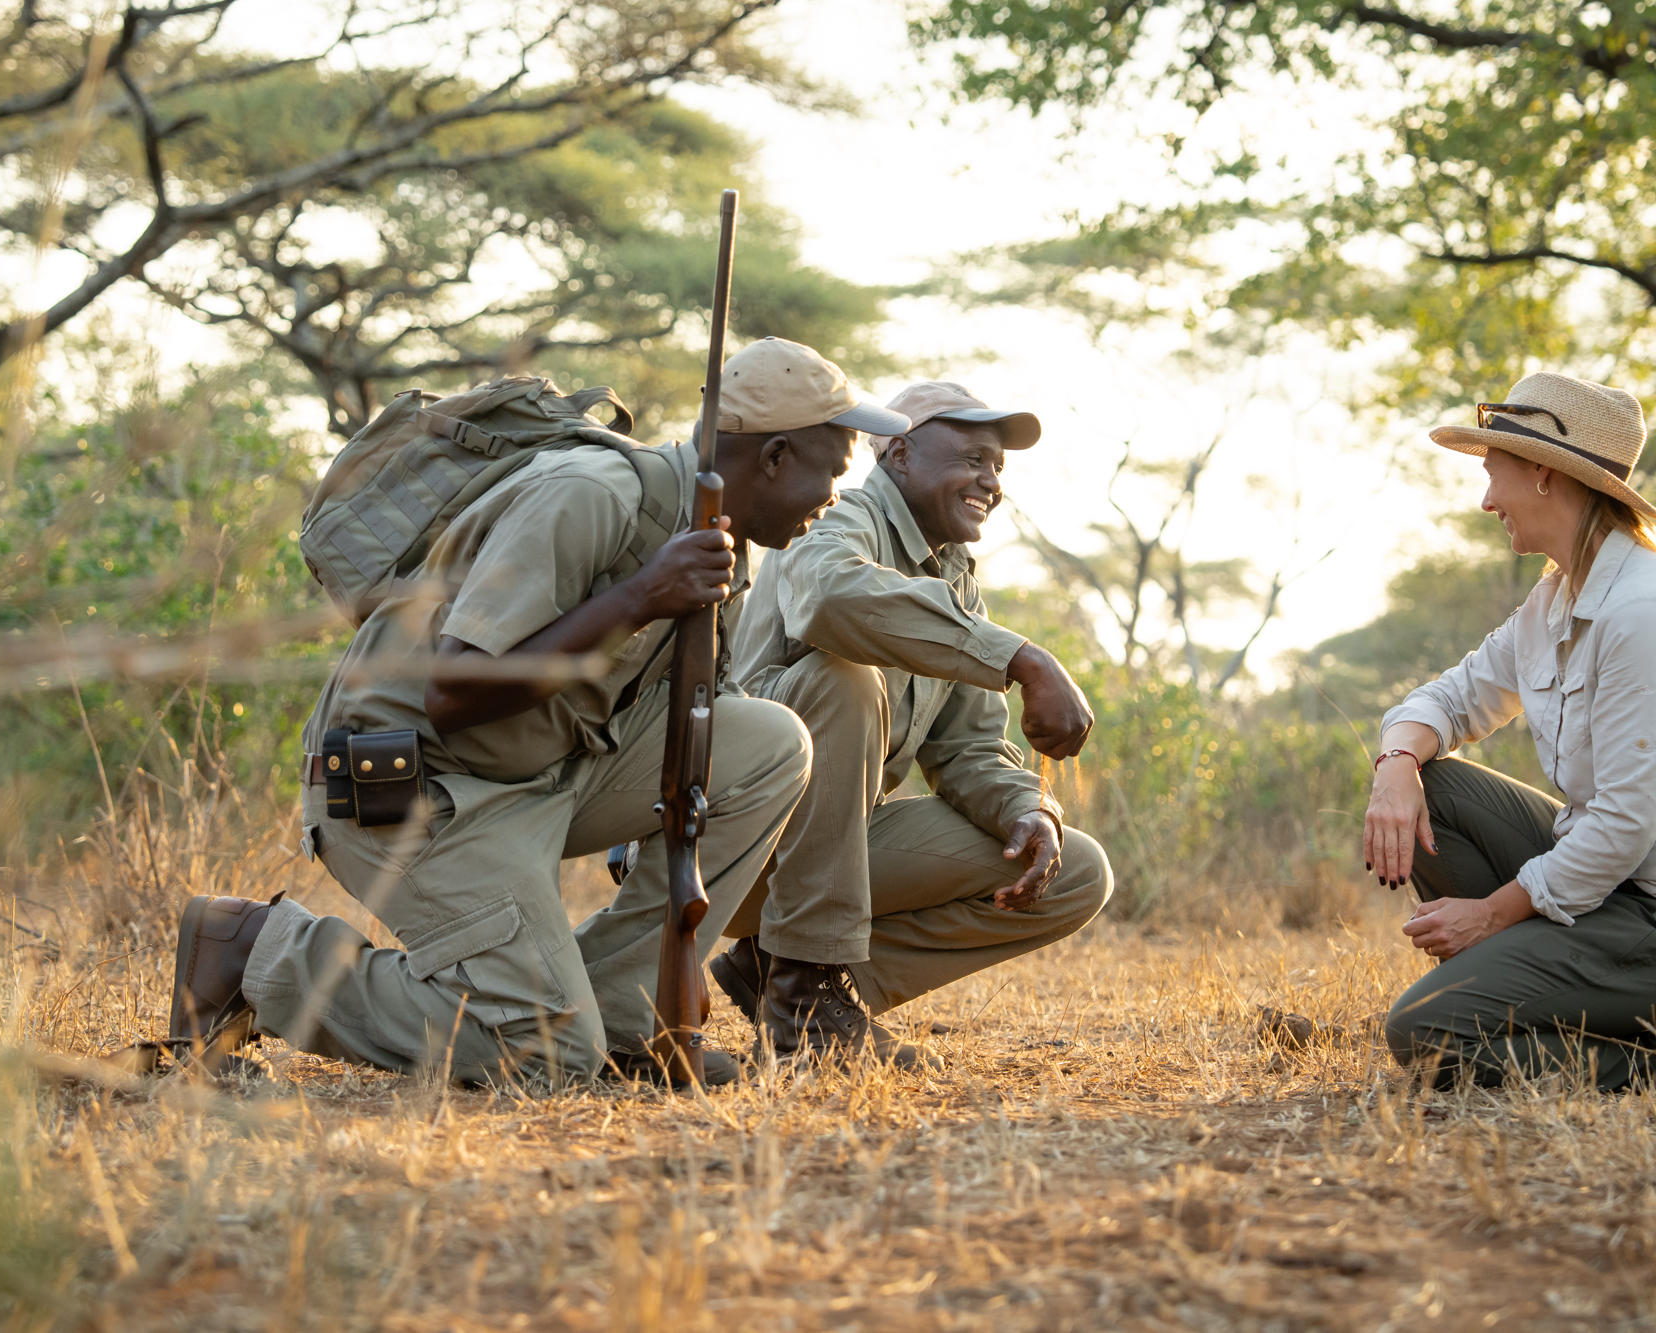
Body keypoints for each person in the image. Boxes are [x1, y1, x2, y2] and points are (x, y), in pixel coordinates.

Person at [165, 337, 910, 1087]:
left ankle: (624, 1020)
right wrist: (643, 595)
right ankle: (258, 953)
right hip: (404, 782)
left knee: (771, 742)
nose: (835, 498)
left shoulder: (717, 538)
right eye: (835, 471)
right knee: (545, 1055)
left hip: (537, 770)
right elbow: (455, 693)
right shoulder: (591, 492)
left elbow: (685, 709)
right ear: (776, 457)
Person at [712, 380, 1114, 1069]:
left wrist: (1029, 809)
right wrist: (1021, 657)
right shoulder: (836, 516)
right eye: (973, 459)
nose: (990, 480)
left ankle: (793, 981)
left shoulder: (955, 575)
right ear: (899, 454)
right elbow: (830, 597)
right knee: (844, 676)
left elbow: (970, 748)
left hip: (823, 855)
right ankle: (802, 998)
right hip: (729, 840)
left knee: (1075, 869)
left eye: (997, 467)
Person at [1366, 372, 1656, 1091]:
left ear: (1544, 474)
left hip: (1645, 908)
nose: (1486, 499)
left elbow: (1624, 826)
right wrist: (1396, 763)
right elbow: (1451, 698)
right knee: (1435, 780)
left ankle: (1635, 1058)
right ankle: (1526, 992)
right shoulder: (1553, 599)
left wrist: (1493, 916)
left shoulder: (1637, 612)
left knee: (1422, 1033)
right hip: (1603, 885)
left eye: (1494, 474)